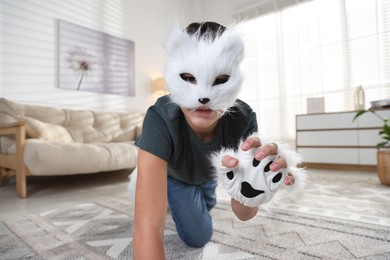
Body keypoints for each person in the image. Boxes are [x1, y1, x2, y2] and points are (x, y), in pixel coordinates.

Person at [131, 21, 298, 259]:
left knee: (204, 202)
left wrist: (258, 185)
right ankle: (162, 186)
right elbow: (147, 226)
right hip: (176, 176)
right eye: (188, 78)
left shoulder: (243, 118)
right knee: (198, 235)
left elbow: (244, 214)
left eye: (219, 80)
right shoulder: (160, 117)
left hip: (208, 176)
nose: (204, 97)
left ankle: (193, 194)